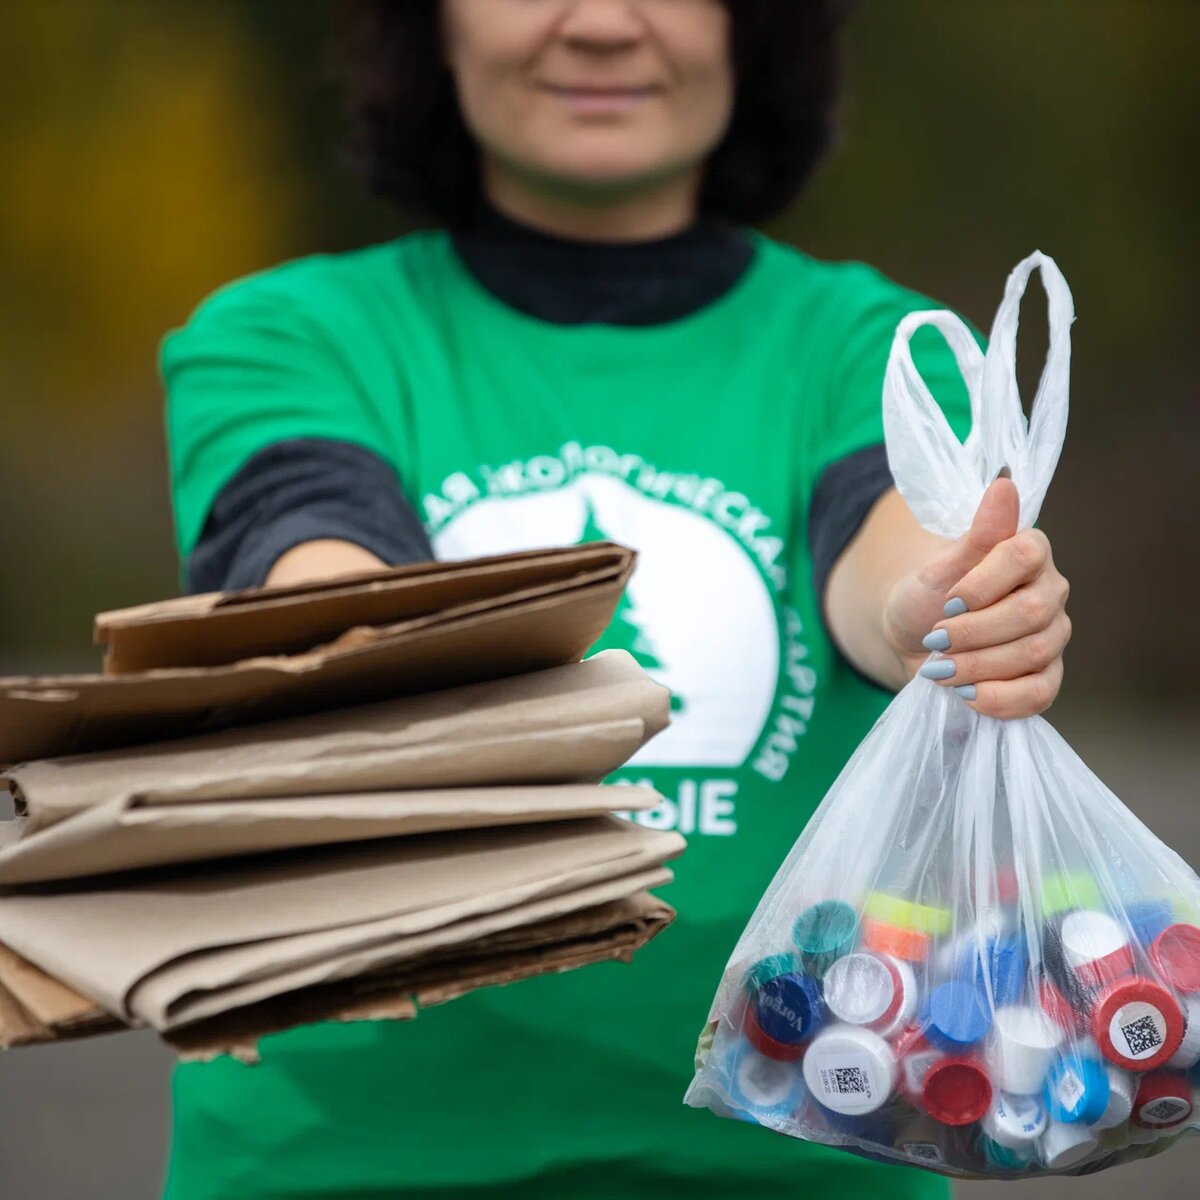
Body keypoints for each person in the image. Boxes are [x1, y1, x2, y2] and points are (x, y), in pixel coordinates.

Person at [160, 2, 1072, 1197]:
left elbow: (889, 542)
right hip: (335, 1159)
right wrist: (364, 659)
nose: (599, 23)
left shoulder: (873, 343)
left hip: (804, 1154)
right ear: (430, 26)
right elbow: (310, 560)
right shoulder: (281, 334)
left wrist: (935, 608)